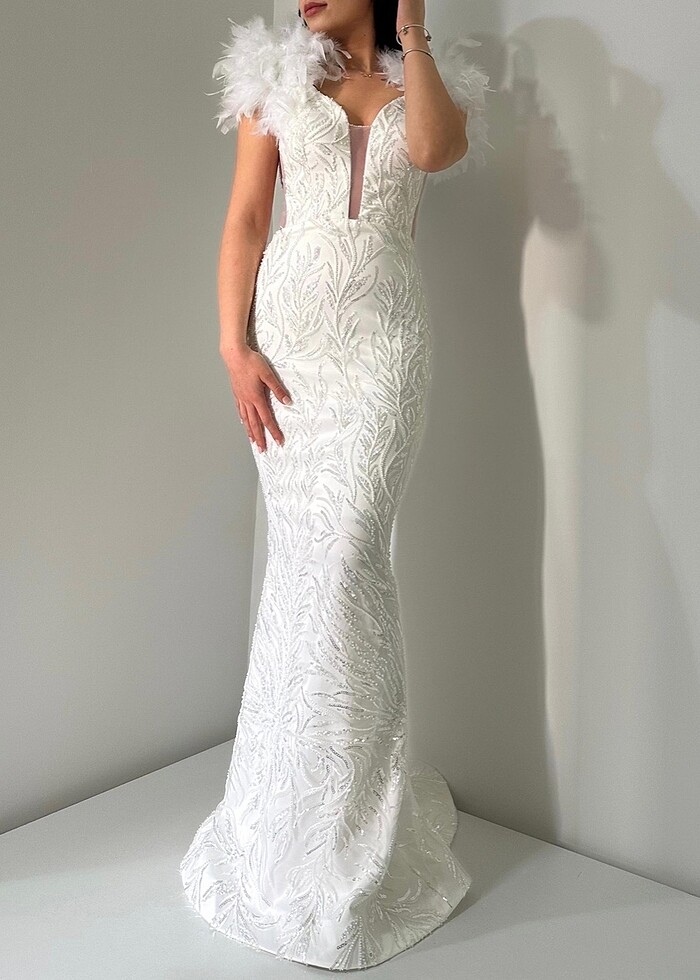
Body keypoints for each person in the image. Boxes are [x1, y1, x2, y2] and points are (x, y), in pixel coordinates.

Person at [179, 1, 490, 970]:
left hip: (384, 344)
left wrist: (416, 35)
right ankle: (281, 814)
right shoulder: (273, 77)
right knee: (306, 566)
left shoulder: (424, 84)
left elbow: (434, 152)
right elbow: (245, 219)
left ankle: (358, 827)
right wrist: (232, 347)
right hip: (290, 349)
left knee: (352, 556)